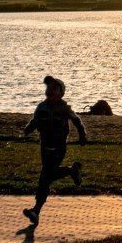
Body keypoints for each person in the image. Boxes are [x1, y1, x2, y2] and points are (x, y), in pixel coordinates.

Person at [22, 75, 87, 227]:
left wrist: (82, 134)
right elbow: (35, 120)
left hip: (59, 146)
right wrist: (29, 129)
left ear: (61, 93)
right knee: (48, 175)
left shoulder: (65, 108)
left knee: (45, 176)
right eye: (48, 88)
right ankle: (72, 170)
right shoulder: (41, 107)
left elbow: (76, 120)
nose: (50, 90)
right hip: (45, 146)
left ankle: (36, 211)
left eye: (54, 89)